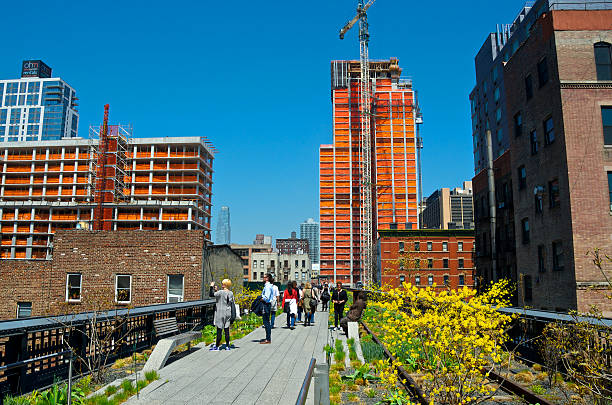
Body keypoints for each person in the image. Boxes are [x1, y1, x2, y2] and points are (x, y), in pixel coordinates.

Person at [209, 279, 235, 350]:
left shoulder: (220, 292)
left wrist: (211, 286)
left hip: (220, 313)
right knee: (226, 330)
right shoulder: (231, 293)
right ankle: (227, 346)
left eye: (223, 283)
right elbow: (224, 298)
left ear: (225, 284)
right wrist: (217, 291)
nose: (222, 284)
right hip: (228, 313)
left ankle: (217, 346)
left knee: (219, 330)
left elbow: (211, 294)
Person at [260, 273, 275, 344]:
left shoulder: (268, 287)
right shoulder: (268, 286)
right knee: (266, 322)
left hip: (266, 305)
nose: (263, 278)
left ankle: (268, 339)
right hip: (267, 305)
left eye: (264, 277)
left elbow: (266, 297)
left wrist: (260, 299)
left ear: (267, 278)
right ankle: (268, 338)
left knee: (266, 322)